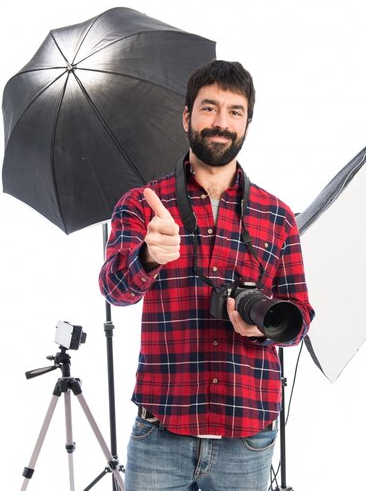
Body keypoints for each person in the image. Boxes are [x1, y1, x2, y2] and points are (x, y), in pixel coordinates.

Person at [99, 60, 314, 491]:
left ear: (248, 123)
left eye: (235, 112)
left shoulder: (277, 216)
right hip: (161, 431)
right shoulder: (144, 204)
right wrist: (146, 257)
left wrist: (262, 331)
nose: (221, 122)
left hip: (248, 439)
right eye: (209, 108)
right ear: (187, 116)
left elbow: (301, 318)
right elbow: (113, 290)